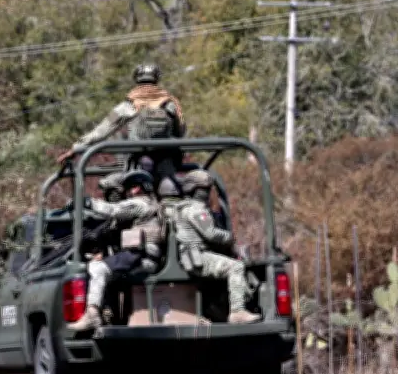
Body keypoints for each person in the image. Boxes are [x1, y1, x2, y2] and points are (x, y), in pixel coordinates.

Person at [56, 64, 186, 186]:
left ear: (137, 80)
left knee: (121, 185)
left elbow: (101, 130)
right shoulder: (171, 105)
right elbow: (181, 131)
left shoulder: (126, 106)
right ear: (156, 79)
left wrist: (75, 148)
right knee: (171, 190)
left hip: (138, 164)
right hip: (166, 163)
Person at [67, 170, 164, 332]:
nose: (125, 193)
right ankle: (108, 315)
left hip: (140, 258)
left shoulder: (140, 204)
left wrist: (87, 202)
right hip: (143, 257)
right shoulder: (153, 205)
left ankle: (92, 315)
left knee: (97, 268)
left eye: (128, 188)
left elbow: (113, 210)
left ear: (136, 188)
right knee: (106, 272)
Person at [170, 169, 261, 324]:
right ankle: (237, 311)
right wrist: (230, 237)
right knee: (236, 267)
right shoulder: (196, 209)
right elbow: (210, 234)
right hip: (198, 257)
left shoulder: (182, 208)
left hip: (192, 256)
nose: (207, 192)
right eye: (204, 189)